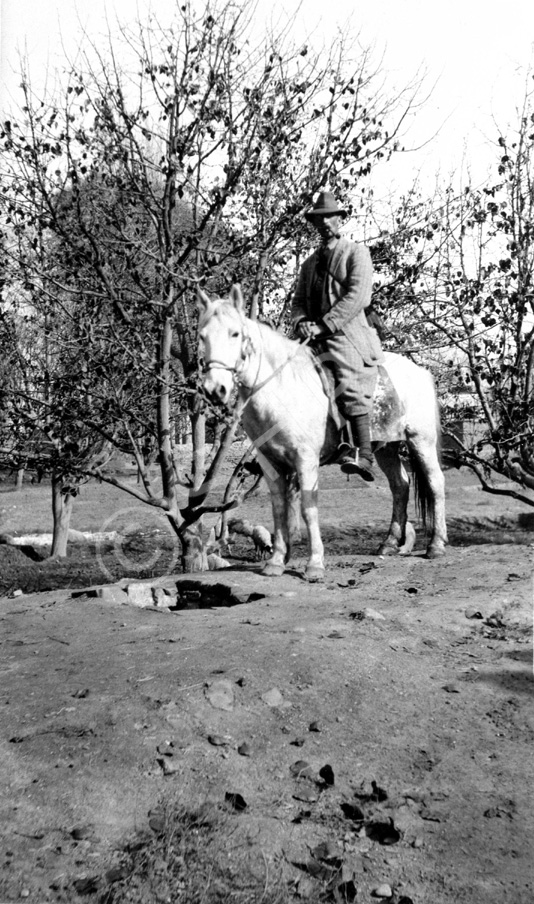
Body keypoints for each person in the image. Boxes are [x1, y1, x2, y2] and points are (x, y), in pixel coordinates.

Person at [291, 190, 384, 481]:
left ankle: (364, 454)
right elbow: (299, 302)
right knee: (287, 374)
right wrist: (303, 321)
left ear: (339, 219)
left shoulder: (357, 253)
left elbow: (359, 296)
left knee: (348, 377)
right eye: (319, 219)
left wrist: (324, 324)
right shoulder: (308, 264)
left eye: (330, 217)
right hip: (315, 337)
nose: (325, 223)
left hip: (349, 335)